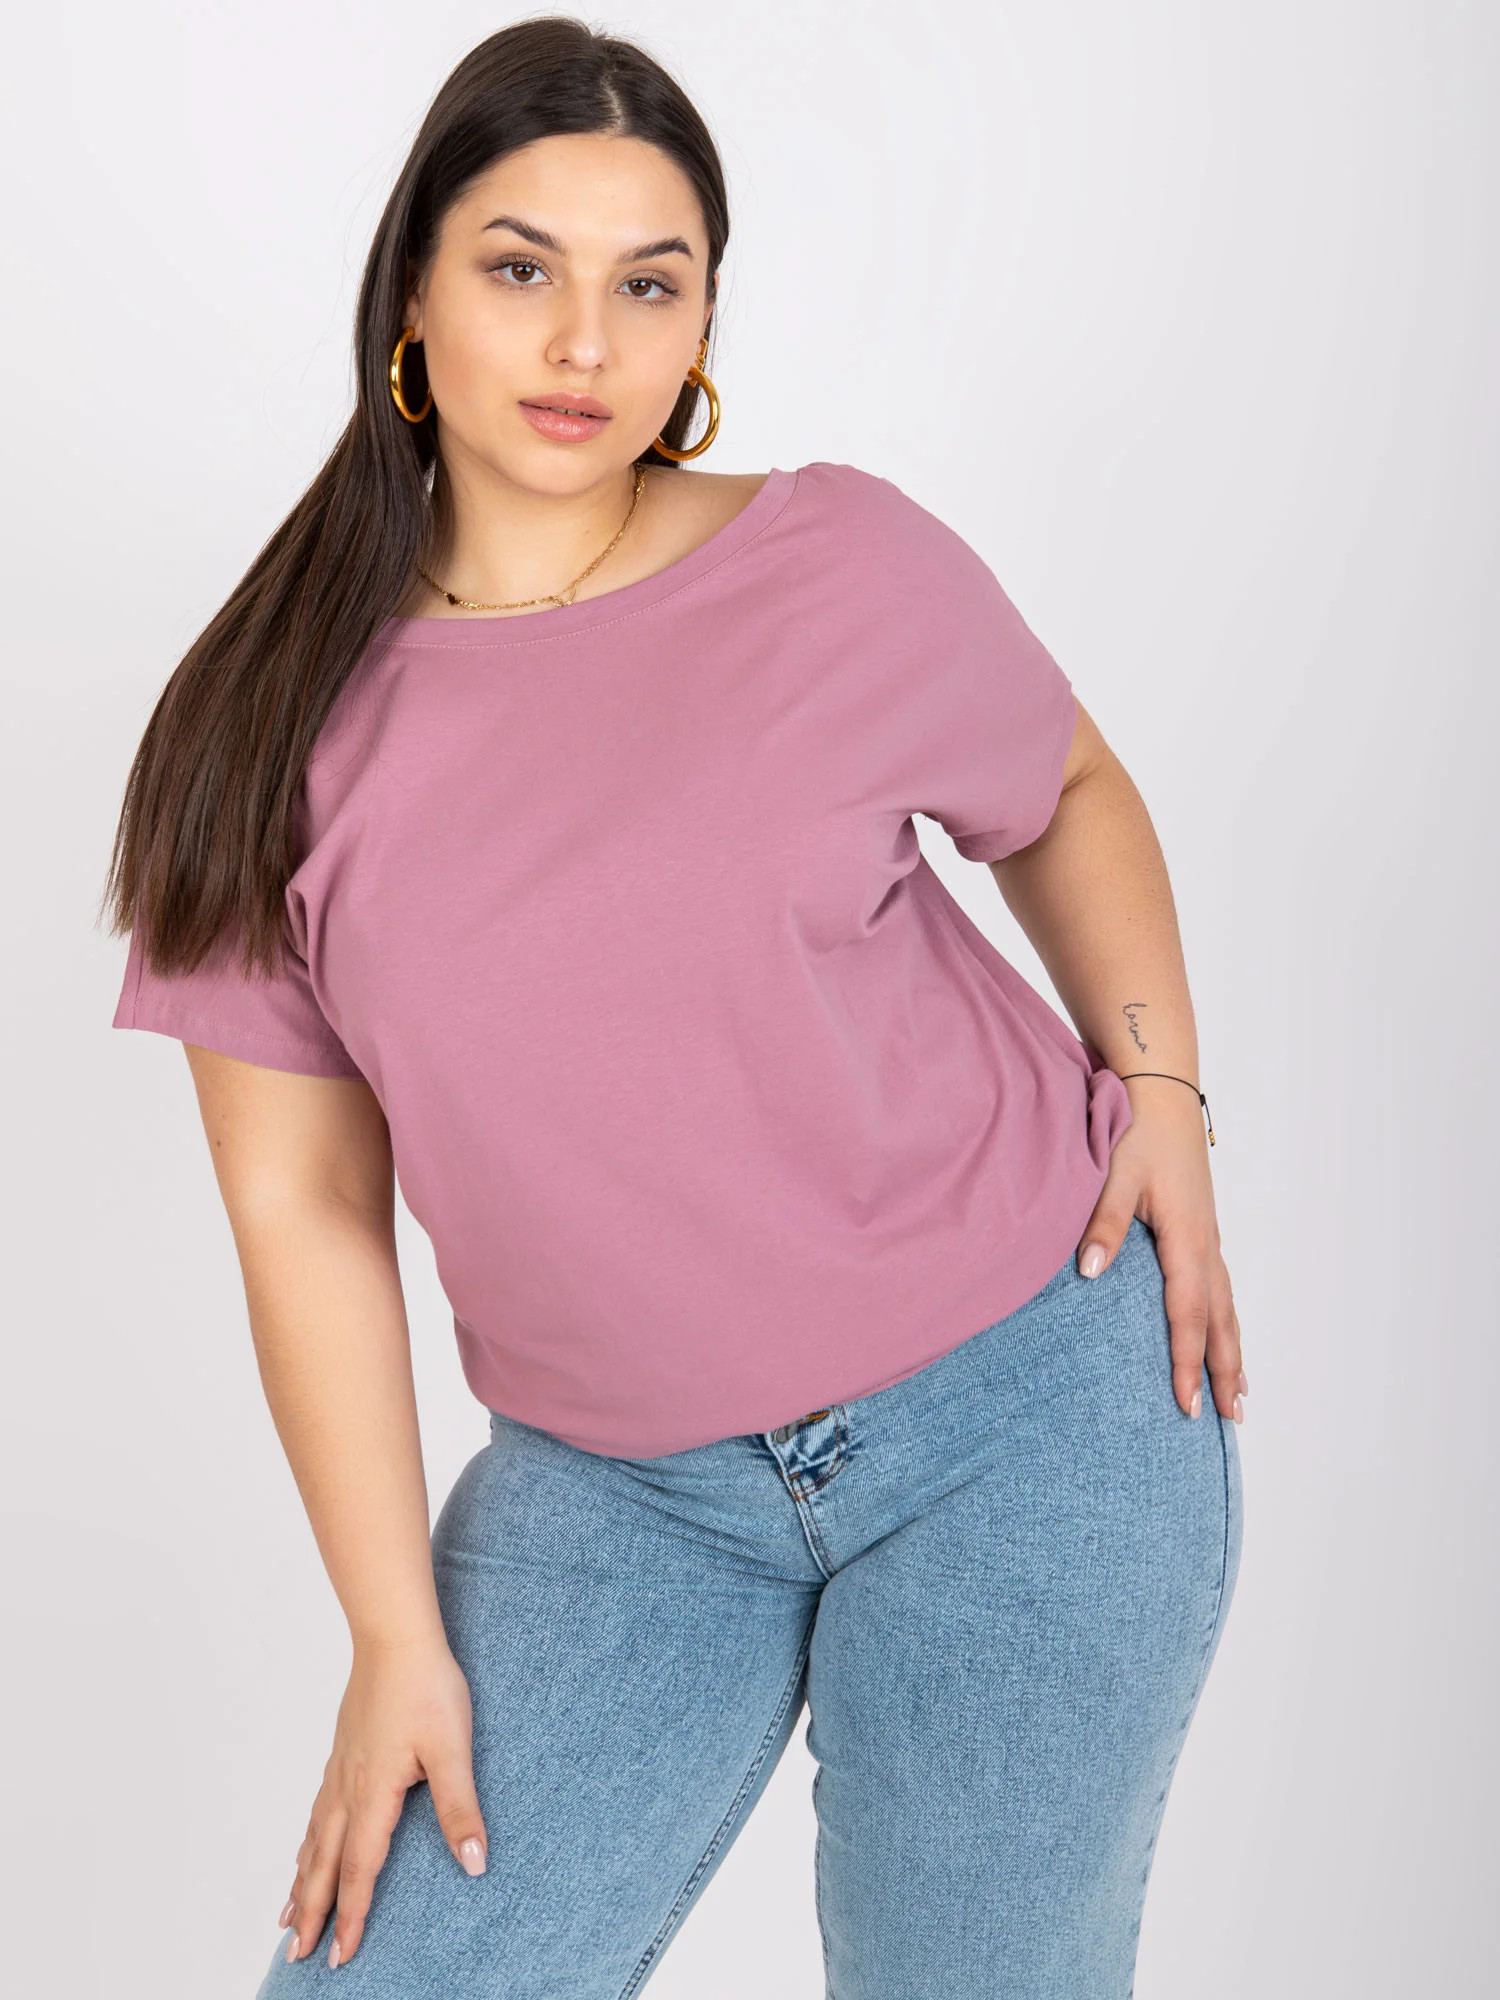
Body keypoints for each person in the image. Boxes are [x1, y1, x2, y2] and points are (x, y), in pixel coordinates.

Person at [103, 17, 1246, 1997]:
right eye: (520, 268)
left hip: (1030, 1404)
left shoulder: (838, 559)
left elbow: (1063, 787)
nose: (583, 344)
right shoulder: (264, 723)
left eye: (651, 285)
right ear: (411, 298)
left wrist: (1162, 1087)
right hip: (614, 1491)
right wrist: (393, 1634)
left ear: (704, 323)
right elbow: (302, 1207)